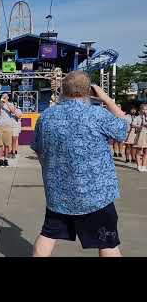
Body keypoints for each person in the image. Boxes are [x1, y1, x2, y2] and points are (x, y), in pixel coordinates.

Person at [31, 71, 127, 257]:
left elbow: (38, 149)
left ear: (62, 90)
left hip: (59, 195)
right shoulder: (98, 115)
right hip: (97, 196)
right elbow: (123, 127)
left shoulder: (47, 116)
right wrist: (106, 98)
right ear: (88, 91)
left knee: (48, 235)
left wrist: (48, 170)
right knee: (108, 244)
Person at [0, 93, 21, 167]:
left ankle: (5, 159)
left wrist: (6, 102)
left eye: (5, 96)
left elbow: (13, 111)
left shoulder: (10, 104)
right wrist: (2, 102)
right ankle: (0, 159)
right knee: (0, 144)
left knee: (7, 145)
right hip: (0, 126)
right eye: (3, 96)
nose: (4, 97)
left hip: (8, 126)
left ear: (8, 97)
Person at [133, 104, 147, 172]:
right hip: (140, 135)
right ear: (140, 110)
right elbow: (132, 124)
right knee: (139, 151)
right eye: (143, 109)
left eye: (146, 109)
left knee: (146, 151)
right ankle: (139, 165)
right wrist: (140, 126)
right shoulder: (138, 117)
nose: (145, 111)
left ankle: (144, 166)